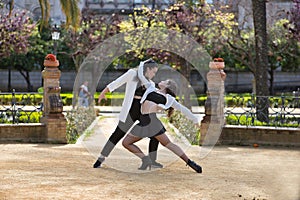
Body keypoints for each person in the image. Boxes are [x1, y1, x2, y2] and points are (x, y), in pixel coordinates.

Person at [122, 62, 202, 173]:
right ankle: (146, 160)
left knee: (169, 144)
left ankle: (190, 162)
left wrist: (195, 119)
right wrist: (143, 63)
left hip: (152, 123)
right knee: (126, 143)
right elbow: (141, 75)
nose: (162, 81)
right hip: (144, 122)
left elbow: (183, 109)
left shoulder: (169, 99)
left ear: (167, 86)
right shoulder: (151, 87)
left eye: (165, 81)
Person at [93, 59, 164, 168]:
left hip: (143, 112)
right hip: (130, 111)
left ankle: (151, 160)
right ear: (148, 69)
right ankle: (101, 158)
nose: (154, 75)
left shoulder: (150, 83)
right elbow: (116, 83)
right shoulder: (132, 74)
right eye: (153, 72)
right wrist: (103, 93)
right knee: (117, 134)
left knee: (156, 132)